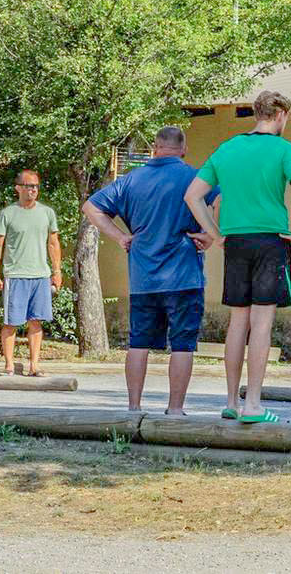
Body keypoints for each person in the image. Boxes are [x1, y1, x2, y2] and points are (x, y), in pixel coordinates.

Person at [186, 90, 291, 424]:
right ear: (279, 115)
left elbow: (193, 196)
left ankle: (231, 400)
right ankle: (254, 404)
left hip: (236, 242)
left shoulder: (228, 147)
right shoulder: (283, 149)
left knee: (238, 321)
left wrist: (215, 234)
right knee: (261, 323)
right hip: (271, 241)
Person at [83, 126, 215, 414]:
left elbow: (91, 207)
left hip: (144, 277)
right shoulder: (196, 177)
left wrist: (119, 236)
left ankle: (134, 406)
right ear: (184, 149)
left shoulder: (131, 179)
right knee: (182, 345)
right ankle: (175, 409)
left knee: (139, 342)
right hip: (184, 275)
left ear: (154, 148)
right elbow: (221, 199)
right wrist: (210, 233)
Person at [0, 170, 62, 377]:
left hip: (41, 276)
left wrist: (56, 271)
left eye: (36, 186)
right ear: (18, 188)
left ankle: (34, 366)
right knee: (11, 322)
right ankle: (9, 365)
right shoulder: (8, 213)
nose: (33, 190)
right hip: (16, 275)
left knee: (36, 321)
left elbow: (53, 242)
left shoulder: (47, 213)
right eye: (29, 186)